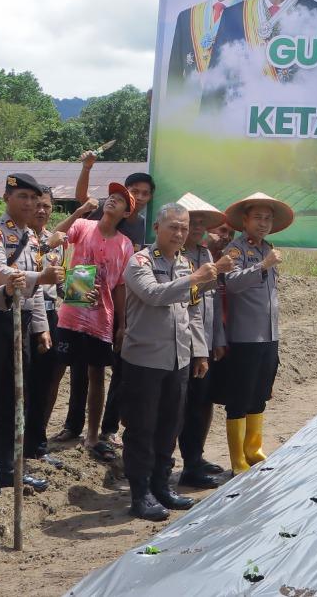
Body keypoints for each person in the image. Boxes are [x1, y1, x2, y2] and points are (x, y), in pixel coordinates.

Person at [119, 203, 226, 520]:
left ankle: (161, 486)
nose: (179, 233)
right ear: (157, 229)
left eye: (184, 227)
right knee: (142, 428)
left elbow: (192, 311)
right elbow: (153, 294)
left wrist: (200, 350)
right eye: (173, 227)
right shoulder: (140, 261)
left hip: (177, 359)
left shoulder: (185, 265)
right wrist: (195, 278)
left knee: (169, 426)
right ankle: (140, 495)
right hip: (145, 360)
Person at [0, 173, 61, 497]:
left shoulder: (31, 238)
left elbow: (32, 293)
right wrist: (39, 274)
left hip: (19, 321)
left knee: (15, 396)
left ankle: (9, 466)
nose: (30, 204)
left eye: (34, 198)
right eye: (23, 197)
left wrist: (40, 328)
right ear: (7, 198)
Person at [53, 183, 137, 461]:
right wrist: (79, 210)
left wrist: (122, 324)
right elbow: (55, 237)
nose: (113, 200)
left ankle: (92, 435)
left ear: (126, 213)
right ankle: (46, 431)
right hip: (72, 309)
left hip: (102, 317)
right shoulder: (83, 225)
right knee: (58, 371)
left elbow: (121, 286)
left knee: (97, 375)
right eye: (111, 197)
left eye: (120, 200)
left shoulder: (124, 244)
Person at [219, 192, 290, 472]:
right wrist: (264, 266)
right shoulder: (236, 250)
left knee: (260, 393)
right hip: (244, 336)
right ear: (245, 221)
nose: (263, 223)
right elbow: (231, 283)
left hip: (269, 335)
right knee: (240, 395)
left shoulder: (268, 247)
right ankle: (237, 458)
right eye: (258, 217)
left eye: (268, 218)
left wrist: (266, 262)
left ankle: (254, 448)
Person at [175, 192, 230, 488]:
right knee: (183, 404)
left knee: (203, 401)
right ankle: (180, 464)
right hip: (184, 340)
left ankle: (195, 458)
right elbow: (188, 298)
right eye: (189, 222)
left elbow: (212, 299)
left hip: (207, 339)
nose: (195, 228)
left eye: (199, 223)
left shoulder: (206, 253)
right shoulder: (173, 255)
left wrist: (218, 338)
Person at [167, 0, 248, 95]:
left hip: (238, 111)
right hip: (192, 113)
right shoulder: (186, 18)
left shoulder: (254, 16)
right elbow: (174, 77)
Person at [26, 186, 64, 464]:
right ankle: (11, 449)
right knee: (21, 383)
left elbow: (58, 284)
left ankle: (37, 445)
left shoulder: (57, 242)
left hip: (50, 315)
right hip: (22, 315)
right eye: (36, 204)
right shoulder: (16, 239)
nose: (41, 210)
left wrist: (76, 290)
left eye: (46, 206)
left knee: (44, 382)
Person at [74, 156, 153, 248]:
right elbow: (81, 197)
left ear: (150, 197)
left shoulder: (145, 228)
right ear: (126, 191)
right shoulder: (107, 206)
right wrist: (86, 168)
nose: (139, 197)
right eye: (135, 192)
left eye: (145, 194)